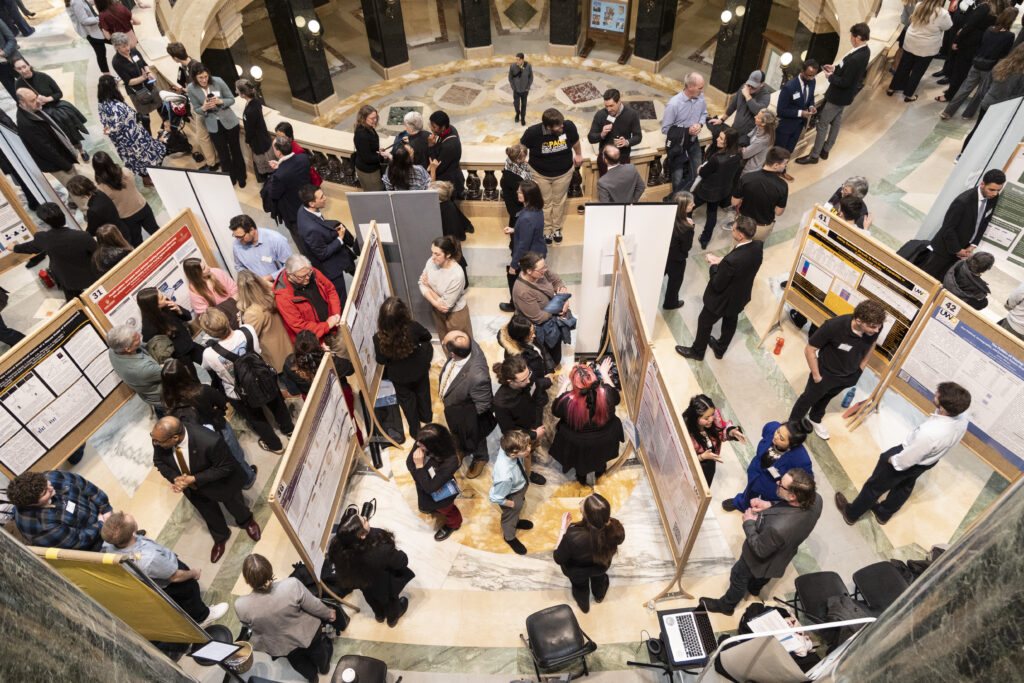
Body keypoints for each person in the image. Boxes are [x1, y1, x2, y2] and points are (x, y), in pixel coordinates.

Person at [837, 382, 971, 525]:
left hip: (908, 457)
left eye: (937, 395)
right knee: (905, 485)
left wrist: (892, 460)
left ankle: (851, 514)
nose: (935, 394)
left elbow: (906, 460)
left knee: (875, 486)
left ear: (943, 409)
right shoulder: (963, 417)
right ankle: (883, 513)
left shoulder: (930, 434)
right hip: (929, 461)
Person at [700, 469, 821, 616]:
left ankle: (726, 605)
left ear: (792, 496)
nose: (777, 483)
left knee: (738, 576)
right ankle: (754, 588)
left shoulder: (779, 528)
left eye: (781, 485)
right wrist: (770, 504)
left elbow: (759, 549)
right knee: (762, 577)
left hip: (758, 558)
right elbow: (789, 507)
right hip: (782, 555)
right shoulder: (817, 500)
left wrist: (748, 522)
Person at [151, 416, 261, 563]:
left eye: (159, 441)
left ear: (175, 437)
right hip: (194, 488)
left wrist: (194, 478)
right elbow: (159, 461)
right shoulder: (159, 439)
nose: (155, 443)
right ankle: (220, 536)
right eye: (154, 439)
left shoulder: (209, 440)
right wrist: (176, 479)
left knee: (236, 504)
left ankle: (247, 522)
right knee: (208, 512)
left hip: (222, 483)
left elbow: (225, 467)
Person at [101, 512, 228, 627]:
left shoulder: (108, 545)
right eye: (131, 520)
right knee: (189, 592)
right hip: (170, 582)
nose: (130, 514)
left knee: (180, 601)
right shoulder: (149, 558)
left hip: (156, 576)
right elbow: (175, 576)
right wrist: (193, 573)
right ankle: (203, 616)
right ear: (133, 533)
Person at [200, 307, 294, 454]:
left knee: (256, 418)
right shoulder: (247, 330)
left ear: (209, 332)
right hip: (263, 377)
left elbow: (207, 368)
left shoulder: (209, 353)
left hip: (239, 392)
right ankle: (289, 430)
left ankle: (275, 445)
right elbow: (258, 351)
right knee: (278, 404)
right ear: (225, 319)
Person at [788, 300, 887, 439]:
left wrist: (861, 368)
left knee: (827, 397)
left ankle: (815, 418)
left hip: (849, 375)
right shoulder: (833, 326)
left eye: (879, 327)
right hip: (825, 373)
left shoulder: (874, 329)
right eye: (873, 327)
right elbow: (810, 349)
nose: (877, 330)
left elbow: (872, 344)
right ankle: (791, 427)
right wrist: (817, 376)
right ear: (858, 320)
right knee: (808, 399)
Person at [235, 554, 336, 683]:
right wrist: (328, 613)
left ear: (245, 580)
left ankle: (312, 677)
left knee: (299, 663)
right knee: (318, 652)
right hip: (308, 633)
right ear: (270, 571)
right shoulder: (291, 585)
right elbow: (314, 606)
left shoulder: (241, 605)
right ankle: (324, 668)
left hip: (281, 645)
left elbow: (247, 625)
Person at [676, 216, 764, 361]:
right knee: (730, 321)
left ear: (740, 235)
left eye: (734, 229)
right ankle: (720, 349)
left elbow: (717, 284)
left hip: (722, 299)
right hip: (740, 296)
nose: (732, 231)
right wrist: (722, 261)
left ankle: (697, 352)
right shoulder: (757, 247)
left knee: (704, 321)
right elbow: (740, 264)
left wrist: (714, 265)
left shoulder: (732, 261)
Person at [161, 357, 257, 489]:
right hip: (219, 429)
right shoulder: (202, 390)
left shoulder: (167, 401)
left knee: (220, 463)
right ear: (185, 374)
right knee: (235, 455)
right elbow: (223, 403)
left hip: (199, 441)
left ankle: (236, 482)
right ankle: (248, 479)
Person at [796, 23, 871, 165]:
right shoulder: (865, 51)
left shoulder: (856, 57)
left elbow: (845, 82)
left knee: (822, 123)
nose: (850, 38)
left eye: (852, 36)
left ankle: (814, 155)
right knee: (836, 122)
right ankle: (826, 149)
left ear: (858, 37)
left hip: (838, 97)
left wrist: (830, 77)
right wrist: (835, 68)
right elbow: (848, 70)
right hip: (845, 97)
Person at [326, 513, 413, 627]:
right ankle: (392, 619)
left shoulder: (338, 548)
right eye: (364, 521)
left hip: (363, 584)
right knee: (390, 601)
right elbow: (403, 561)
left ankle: (379, 616)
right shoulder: (381, 550)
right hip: (383, 583)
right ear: (362, 536)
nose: (366, 518)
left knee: (371, 599)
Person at [549, 359, 624, 486]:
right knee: (601, 461)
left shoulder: (567, 401)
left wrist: (563, 385)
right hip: (604, 439)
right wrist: (604, 373)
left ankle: (581, 480)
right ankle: (600, 475)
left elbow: (555, 409)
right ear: (594, 379)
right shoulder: (607, 393)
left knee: (581, 465)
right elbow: (617, 398)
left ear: (574, 383)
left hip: (579, 444)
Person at [921, 169, 1004, 278]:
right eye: (991, 189)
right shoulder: (963, 201)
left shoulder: (993, 197)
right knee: (927, 279)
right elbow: (948, 228)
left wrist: (973, 244)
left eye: (998, 190)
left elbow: (984, 221)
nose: (994, 193)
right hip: (944, 250)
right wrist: (957, 250)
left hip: (964, 251)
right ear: (982, 184)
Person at [553, 493, 625, 613]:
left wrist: (563, 529)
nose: (580, 503)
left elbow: (558, 558)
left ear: (585, 514)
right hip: (601, 566)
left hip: (577, 571)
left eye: (582, 502)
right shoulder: (614, 527)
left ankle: (584, 606)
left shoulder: (572, 536)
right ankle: (599, 596)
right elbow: (620, 540)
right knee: (600, 581)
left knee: (580, 587)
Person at [520, 107, 582, 244]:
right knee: (545, 203)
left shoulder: (568, 126)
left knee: (558, 202)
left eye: (562, 123)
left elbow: (575, 142)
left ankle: (556, 229)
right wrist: (522, 157)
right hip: (540, 174)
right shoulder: (533, 132)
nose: (562, 126)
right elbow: (522, 146)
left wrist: (578, 154)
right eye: (558, 125)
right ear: (548, 127)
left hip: (563, 173)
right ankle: (547, 230)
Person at [940, 7, 1016, 118]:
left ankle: (947, 112)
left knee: (965, 88)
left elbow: (982, 44)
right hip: (990, 66)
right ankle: (968, 114)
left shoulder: (989, 29)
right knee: (980, 93)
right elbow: (1004, 54)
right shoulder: (1010, 36)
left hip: (977, 62)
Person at [439, 329, 495, 479]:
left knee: (475, 436)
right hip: (455, 410)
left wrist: (465, 419)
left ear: (452, 354)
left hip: (467, 415)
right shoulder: (465, 345)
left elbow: (483, 405)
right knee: (456, 433)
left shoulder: (478, 376)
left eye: (444, 344)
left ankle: (480, 457)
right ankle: (460, 448)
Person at [374, 297, 433, 437]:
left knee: (407, 403)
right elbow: (427, 337)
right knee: (423, 393)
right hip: (419, 370)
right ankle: (427, 419)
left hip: (399, 377)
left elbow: (381, 360)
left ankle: (415, 430)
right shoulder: (413, 328)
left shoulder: (378, 338)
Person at [8, 470, 112, 550]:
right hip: (95, 543)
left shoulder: (50, 476)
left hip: (102, 515)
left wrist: (105, 507)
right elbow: (78, 541)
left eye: (46, 482)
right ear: (32, 503)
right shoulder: (41, 528)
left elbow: (84, 484)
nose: (51, 487)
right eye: (45, 492)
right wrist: (101, 524)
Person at [725, 419, 812, 513]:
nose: (776, 436)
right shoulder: (772, 427)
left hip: (772, 486)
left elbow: (805, 483)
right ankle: (742, 504)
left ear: (792, 444)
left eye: (781, 438)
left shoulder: (801, 460)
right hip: (755, 472)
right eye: (778, 431)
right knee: (749, 492)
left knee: (766, 505)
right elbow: (766, 430)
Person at [12, 202, 96, 300]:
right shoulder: (82, 236)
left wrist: (14, 247)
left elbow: (29, 247)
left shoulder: (44, 238)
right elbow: (98, 254)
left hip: (67, 281)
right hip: (91, 277)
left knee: (75, 305)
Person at [13, 58, 89, 162]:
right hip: (40, 111)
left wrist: (47, 99)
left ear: (29, 66)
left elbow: (59, 93)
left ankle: (80, 150)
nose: (23, 70)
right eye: (19, 69)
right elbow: (22, 103)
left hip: (54, 106)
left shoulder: (43, 77)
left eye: (24, 66)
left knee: (67, 124)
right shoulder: (19, 84)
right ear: (15, 70)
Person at [273, 255, 348, 361]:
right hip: (315, 342)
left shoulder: (312, 272)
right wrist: (326, 325)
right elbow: (299, 326)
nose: (307, 278)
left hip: (333, 328)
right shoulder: (283, 297)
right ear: (290, 275)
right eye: (302, 277)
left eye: (308, 273)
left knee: (346, 361)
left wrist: (335, 315)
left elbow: (330, 290)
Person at [96, 74, 165, 183]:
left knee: (137, 157)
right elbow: (116, 127)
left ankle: (147, 175)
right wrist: (108, 130)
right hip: (132, 139)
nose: (117, 87)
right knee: (141, 157)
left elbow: (104, 121)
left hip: (130, 136)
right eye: (116, 85)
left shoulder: (101, 102)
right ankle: (148, 178)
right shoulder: (115, 107)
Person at [187, 61, 246, 187]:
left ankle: (242, 176)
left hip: (229, 122)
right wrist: (203, 107)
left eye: (206, 76)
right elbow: (196, 109)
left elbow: (231, 99)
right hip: (213, 125)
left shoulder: (218, 81)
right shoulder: (191, 88)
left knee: (236, 151)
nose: (204, 80)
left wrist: (220, 101)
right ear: (195, 78)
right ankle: (230, 178)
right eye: (200, 78)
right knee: (223, 154)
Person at [493, 355, 549, 486]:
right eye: (524, 380)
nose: (529, 381)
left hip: (532, 423)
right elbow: (509, 431)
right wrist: (534, 435)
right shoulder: (501, 402)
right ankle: (527, 474)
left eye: (528, 374)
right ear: (510, 381)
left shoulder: (525, 379)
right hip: (522, 435)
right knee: (525, 456)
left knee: (532, 449)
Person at [296, 184, 356, 303]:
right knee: (340, 298)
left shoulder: (304, 209)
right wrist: (339, 239)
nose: (325, 198)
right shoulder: (311, 229)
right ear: (312, 203)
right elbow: (322, 253)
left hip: (331, 254)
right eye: (322, 197)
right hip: (330, 269)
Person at [959, 42, 1024, 152]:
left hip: (988, 103)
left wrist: (986, 98)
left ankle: (963, 153)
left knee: (977, 129)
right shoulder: (1021, 74)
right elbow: (1018, 96)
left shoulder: (1002, 64)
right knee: (994, 134)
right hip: (1004, 109)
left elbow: (985, 86)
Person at [15, 87, 81, 190]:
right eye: (32, 100)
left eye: (36, 97)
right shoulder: (26, 124)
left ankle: (71, 201)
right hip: (57, 164)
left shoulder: (33, 109)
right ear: (22, 103)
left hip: (62, 154)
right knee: (77, 189)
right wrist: (66, 165)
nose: (37, 101)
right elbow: (46, 150)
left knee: (74, 184)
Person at [886, 0, 953, 102]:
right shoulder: (942, 13)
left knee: (903, 67)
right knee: (917, 72)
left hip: (911, 41)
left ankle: (891, 88)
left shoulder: (919, 5)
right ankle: (908, 95)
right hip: (927, 46)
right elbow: (948, 26)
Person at [407, 423, 462, 542]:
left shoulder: (451, 461)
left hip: (443, 494)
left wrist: (419, 466)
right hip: (426, 487)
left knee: (448, 510)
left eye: (421, 444)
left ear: (434, 446)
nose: (417, 444)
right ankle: (430, 508)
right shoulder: (423, 439)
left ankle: (454, 524)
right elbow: (409, 463)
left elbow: (430, 487)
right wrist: (423, 477)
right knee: (425, 502)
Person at [165, 41, 217, 167]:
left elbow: (205, 85)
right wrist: (183, 90)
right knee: (203, 136)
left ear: (175, 58)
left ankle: (212, 163)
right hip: (196, 104)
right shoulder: (186, 66)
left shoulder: (195, 67)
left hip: (201, 106)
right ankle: (212, 160)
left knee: (202, 136)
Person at [92, 151, 157, 246]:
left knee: (137, 242)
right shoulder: (125, 171)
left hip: (126, 217)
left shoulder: (101, 188)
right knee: (155, 231)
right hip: (142, 206)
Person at [682, 394, 746, 487]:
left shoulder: (714, 416)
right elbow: (683, 459)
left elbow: (721, 429)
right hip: (695, 465)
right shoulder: (685, 430)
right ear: (695, 417)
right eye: (706, 418)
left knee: (706, 483)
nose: (711, 419)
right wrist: (702, 457)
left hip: (710, 459)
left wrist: (733, 432)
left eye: (712, 414)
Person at [693, 127, 742, 248]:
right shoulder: (737, 155)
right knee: (712, 213)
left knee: (688, 207)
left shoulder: (717, 159)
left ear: (728, 142)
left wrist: (700, 169)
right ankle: (705, 240)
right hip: (722, 191)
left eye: (721, 138)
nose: (717, 139)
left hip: (706, 191)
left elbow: (703, 173)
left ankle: (684, 229)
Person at [237, 269, 294, 374]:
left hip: (277, 355)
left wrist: (241, 323)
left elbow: (250, 337)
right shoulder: (272, 293)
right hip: (289, 345)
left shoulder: (253, 312)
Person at [501, 178, 545, 311]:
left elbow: (522, 246)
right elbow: (531, 230)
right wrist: (515, 229)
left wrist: (514, 265)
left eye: (520, 192)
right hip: (537, 249)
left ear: (527, 196)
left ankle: (515, 305)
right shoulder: (536, 208)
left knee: (514, 278)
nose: (517, 193)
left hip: (529, 256)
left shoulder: (527, 217)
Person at [489, 428, 535, 555]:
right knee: (510, 517)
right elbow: (495, 496)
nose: (529, 449)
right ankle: (509, 537)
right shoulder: (504, 475)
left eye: (528, 445)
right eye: (525, 449)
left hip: (519, 485)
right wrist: (512, 504)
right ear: (513, 455)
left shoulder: (508, 446)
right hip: (512, 495)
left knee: (515, 514)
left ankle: (516, 521)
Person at [661, 72, 708, 193]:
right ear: (690, 87)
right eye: (700, 87)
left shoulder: (700, 97)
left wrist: (700, 124)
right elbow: (665, 128)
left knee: (697, 174)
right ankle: (676, 203)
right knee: (677, 179)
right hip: (677, 146)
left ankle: (685, 199)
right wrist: (687, 131)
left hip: (693, 141)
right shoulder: (674, 104)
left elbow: (704, 114)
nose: (702, 91)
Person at [732, 146, 790, 242]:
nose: (785, 166)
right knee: (754, 253)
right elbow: (778, 212)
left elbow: (734, 202)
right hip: (762, 228)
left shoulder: (747, 178)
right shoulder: (782, 186)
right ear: (775, 165)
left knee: (736, 252)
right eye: (785, 164)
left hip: (743, 225)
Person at [419, 235, 472, 339]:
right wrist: (436, 304)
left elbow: (445, 306)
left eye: (437, 254)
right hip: (436, 309)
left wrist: (429, 288)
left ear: (448, 255)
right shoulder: (432, 261)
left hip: (455, 314)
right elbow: (421, 283)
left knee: (460, 343)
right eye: (432, 252)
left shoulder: (457, 275)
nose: (433, 256)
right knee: (444, 339)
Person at [137, 286, 204, 368]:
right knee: (192, 379)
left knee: (210, 362)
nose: (165, 297)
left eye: (163, 295)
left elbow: (188, 316)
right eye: (162, 298)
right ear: (154, 306)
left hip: (190, 344)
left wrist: (179, 310)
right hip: (179, 357)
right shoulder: (149, 328)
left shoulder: (167, 305)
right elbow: (153, 348)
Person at [106, 324, 165, 415]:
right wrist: (166, 360)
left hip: (151, 393)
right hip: (166, 399)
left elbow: (143, 346)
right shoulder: (141, 368)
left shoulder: (114, 350)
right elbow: (171, 370)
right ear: (128, 349)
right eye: (136, 339)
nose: (140, 336)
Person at [267, 137, 313, 246]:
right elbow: (293, 172)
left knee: (303, 244)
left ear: (278, 152)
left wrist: (279, 170)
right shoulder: (303, 158)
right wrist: (280, 166)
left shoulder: (279, 176)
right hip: (310, 203)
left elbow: (274, 194)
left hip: (294, 214)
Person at [775, 60, 820, 173]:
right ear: (802, 71)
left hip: (799, 126)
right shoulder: (789, 87)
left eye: (813, 75)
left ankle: (782, 170)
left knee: (789, 151)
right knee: (778, 154)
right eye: (809, 75)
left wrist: (811, 106)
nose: (811, 78)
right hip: (785, 127)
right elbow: (781, 111)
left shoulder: (812, 81)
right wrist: (801, 113)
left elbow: (810, 98)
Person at [110, 32, 158, 135]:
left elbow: (144, 64)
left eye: (127, 44)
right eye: (123, 47)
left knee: (161, 107)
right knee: (145, 118)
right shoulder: (116, 62)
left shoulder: (134, 51)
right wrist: (143, 77)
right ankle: (149, 138)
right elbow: (129, 82)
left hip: (149, 85)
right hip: (137, 92)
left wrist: (148, 73)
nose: (127, 48)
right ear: (116, 48)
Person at [708, 69, 773, 145]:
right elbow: (733, 105)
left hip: (747, 137)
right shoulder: (744, 87)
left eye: (753, 87)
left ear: (761, 84)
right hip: (735, 129)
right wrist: (722, 120)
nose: (749, 88)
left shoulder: (765, 96)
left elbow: (758, 111)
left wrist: (747, 96)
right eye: (749, 85)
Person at [588, 88, 642, 175]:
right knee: (605, 187)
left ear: (619, 101)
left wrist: (627, 142)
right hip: (604, 160)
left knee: (621, 187)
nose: (609, 109)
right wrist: (602, 134)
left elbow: (638, 137)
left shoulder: (632, 114)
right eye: (606, 106)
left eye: (611, 106)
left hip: (622, 159)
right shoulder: (600, 115)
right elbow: (591, 138)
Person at [65, 175, 129, 242]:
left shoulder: (93, 210)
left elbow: (92, 231)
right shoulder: (99, 193)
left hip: (115, 238)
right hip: (122, 228)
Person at [230, 214, 293, 282]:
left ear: (251, 230)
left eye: (241, 236)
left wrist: (271, 277)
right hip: (259, 287)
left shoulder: (276, 239)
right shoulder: (237, 246)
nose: (238, 240)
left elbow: (291, 265)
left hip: (280, 283)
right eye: (236, 236)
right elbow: (239, 267)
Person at [236, 78, 275, 182]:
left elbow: (250, 129)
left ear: (243, 94)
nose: (236, 92)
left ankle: (268, 178)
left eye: (238, 90)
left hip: (258, 140)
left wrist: (248, 140)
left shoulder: (250, 111)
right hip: (263, 136)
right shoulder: (256, 102)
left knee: (264, 161)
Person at [497, 312, 555, 383]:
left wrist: (550, 370)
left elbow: (543, 351)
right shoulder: (516, 358)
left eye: (533, 331)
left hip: (542, 372)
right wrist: (547, 381)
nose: (534, 335)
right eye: (530, 334)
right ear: (520, 336)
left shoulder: (529, 336)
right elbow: (529, 380)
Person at [663, 191, 696, 310]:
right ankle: (670, 303)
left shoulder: (666, 216)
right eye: (691, 204)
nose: (694, 205)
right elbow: (686, 247)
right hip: (676, 259)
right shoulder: (686, 228)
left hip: (662, 255)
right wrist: (692, 227)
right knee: (675, 282)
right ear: (683, 207)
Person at [427, 110, 464, 198]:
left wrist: (431, 146)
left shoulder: (449, 146)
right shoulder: (451, 128)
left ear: (443, 127)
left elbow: (436, 167)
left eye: (434, 127)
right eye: (431, 126)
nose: (431, 129)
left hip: (449, 186)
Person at [352, 104, 389, 191]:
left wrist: (377, 150)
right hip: (368, 172)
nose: (375, 120)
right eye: (372, 118)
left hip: (369, 168)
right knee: (376, 193)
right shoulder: (362, 135)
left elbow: (367, 148)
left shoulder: (367, 127)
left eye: (376, 117)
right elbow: (367, 158)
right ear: (363, 118)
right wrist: (381, 155)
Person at [274, 121, 322, 187]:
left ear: (289, 137)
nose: (279, 139)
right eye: (277, 136)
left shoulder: (298, 151)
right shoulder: (281, 146)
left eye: (282, 137)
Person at [501, 143, 530, 228]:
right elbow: (518, 196)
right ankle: (514, 241)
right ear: (518, 159)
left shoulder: (510, 162)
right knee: (515, 225)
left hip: (516, 204)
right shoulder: (512, 177)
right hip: (516, 207)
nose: (526, 158)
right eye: (525, 156)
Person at [740, 109, 777, 174]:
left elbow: (744, 154)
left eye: (758, 117)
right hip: (747, 160)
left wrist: (746, 149)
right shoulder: (759, 126)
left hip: (750, 169)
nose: (755, 117)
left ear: (763, 123)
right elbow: (749, 135)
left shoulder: (762, 140)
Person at [509, 52, 533, 125]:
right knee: (516, 104)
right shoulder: (512, 66)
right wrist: (513, 87)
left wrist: (527, 87)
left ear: (522, 60)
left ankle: (523, 118)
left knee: (524, 105)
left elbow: (531, 77)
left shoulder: (528, 66)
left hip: (524, 90)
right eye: (516, 60)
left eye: (518, 60)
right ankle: (517, 113)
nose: (517, 61)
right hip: (516, 90)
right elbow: (510, 78)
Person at [0, 17, 18, 97]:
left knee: (32, 87)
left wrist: (4, 52)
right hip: (1, 70)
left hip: (14, 60)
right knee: (16, 96)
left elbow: (12, 39)